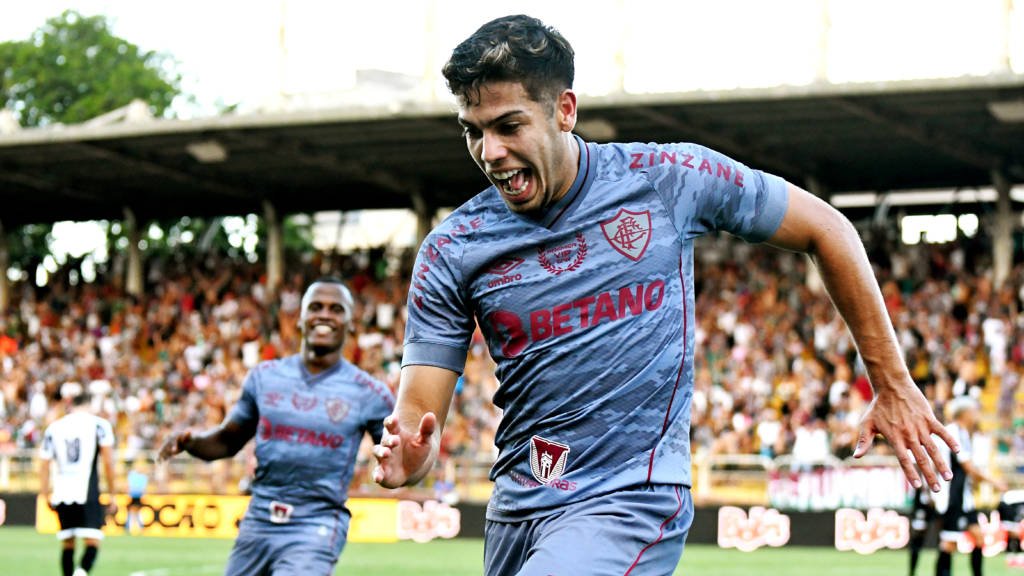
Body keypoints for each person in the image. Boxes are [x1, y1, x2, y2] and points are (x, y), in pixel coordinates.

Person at [372, 14, 960, 576]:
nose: (489, 152)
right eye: (473, 131)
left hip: (629, 497)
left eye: (508, 126)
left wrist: (891, 383)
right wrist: (415, 453)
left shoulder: (668, 179)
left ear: (565, 110)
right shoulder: (452, 247)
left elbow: (827, 228)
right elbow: (420, 413)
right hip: (518, 506)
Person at [160, 278, 394, 576]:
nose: (324, 315)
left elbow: (397, 460)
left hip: (316, 522)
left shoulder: (370, 393)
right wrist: (190, 441)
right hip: (259, 518)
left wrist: (409, 457)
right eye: (316, 307)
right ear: (299, 318)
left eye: (336, 309)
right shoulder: (264, 377)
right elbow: (227, 441)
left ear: (350, 324)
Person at [39, 384, 117, 576]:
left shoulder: (54, 428)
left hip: (62, 492)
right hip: (87, 491)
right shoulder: (99, 425)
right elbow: (108, 462)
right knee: (93, 541)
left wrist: (44, 493)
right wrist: (113, 493)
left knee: (67, 542)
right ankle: (81, 573)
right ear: (89, 405)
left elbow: (44, 464)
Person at [934, 397, 1006, 576]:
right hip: (953, 496)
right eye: (974, 412)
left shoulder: (964, 433)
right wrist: (993, 482)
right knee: (949, 543)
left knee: (979, 537)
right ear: (965, 413)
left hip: (965, 497)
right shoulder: (954, 432)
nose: (976, 415)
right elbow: (967, 467)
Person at [125, 458, 149, 534]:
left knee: (136, 511)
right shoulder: (134, 475)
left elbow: (143, 488)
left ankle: (138, 526)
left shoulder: (142, 476)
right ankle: (131, 526)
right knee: (133, 511)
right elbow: (128, 485)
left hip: (137, 495)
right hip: (133, 495)